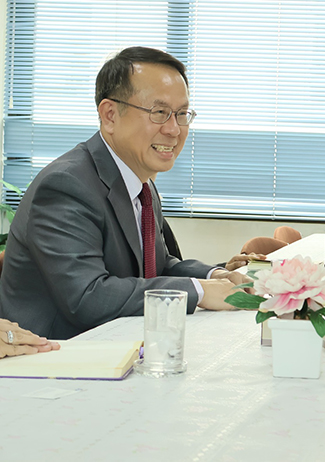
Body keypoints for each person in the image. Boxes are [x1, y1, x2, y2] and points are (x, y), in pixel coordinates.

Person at [0, 46, 250, 340]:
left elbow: (154, 265)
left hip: (117, 344)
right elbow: (88, 297)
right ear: (110, 115)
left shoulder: (139, 180)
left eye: (182, 114)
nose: (174, 130)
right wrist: (200, 291)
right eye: (159, 113)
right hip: (52, 361)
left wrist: (213, 275)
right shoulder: (65, 186)